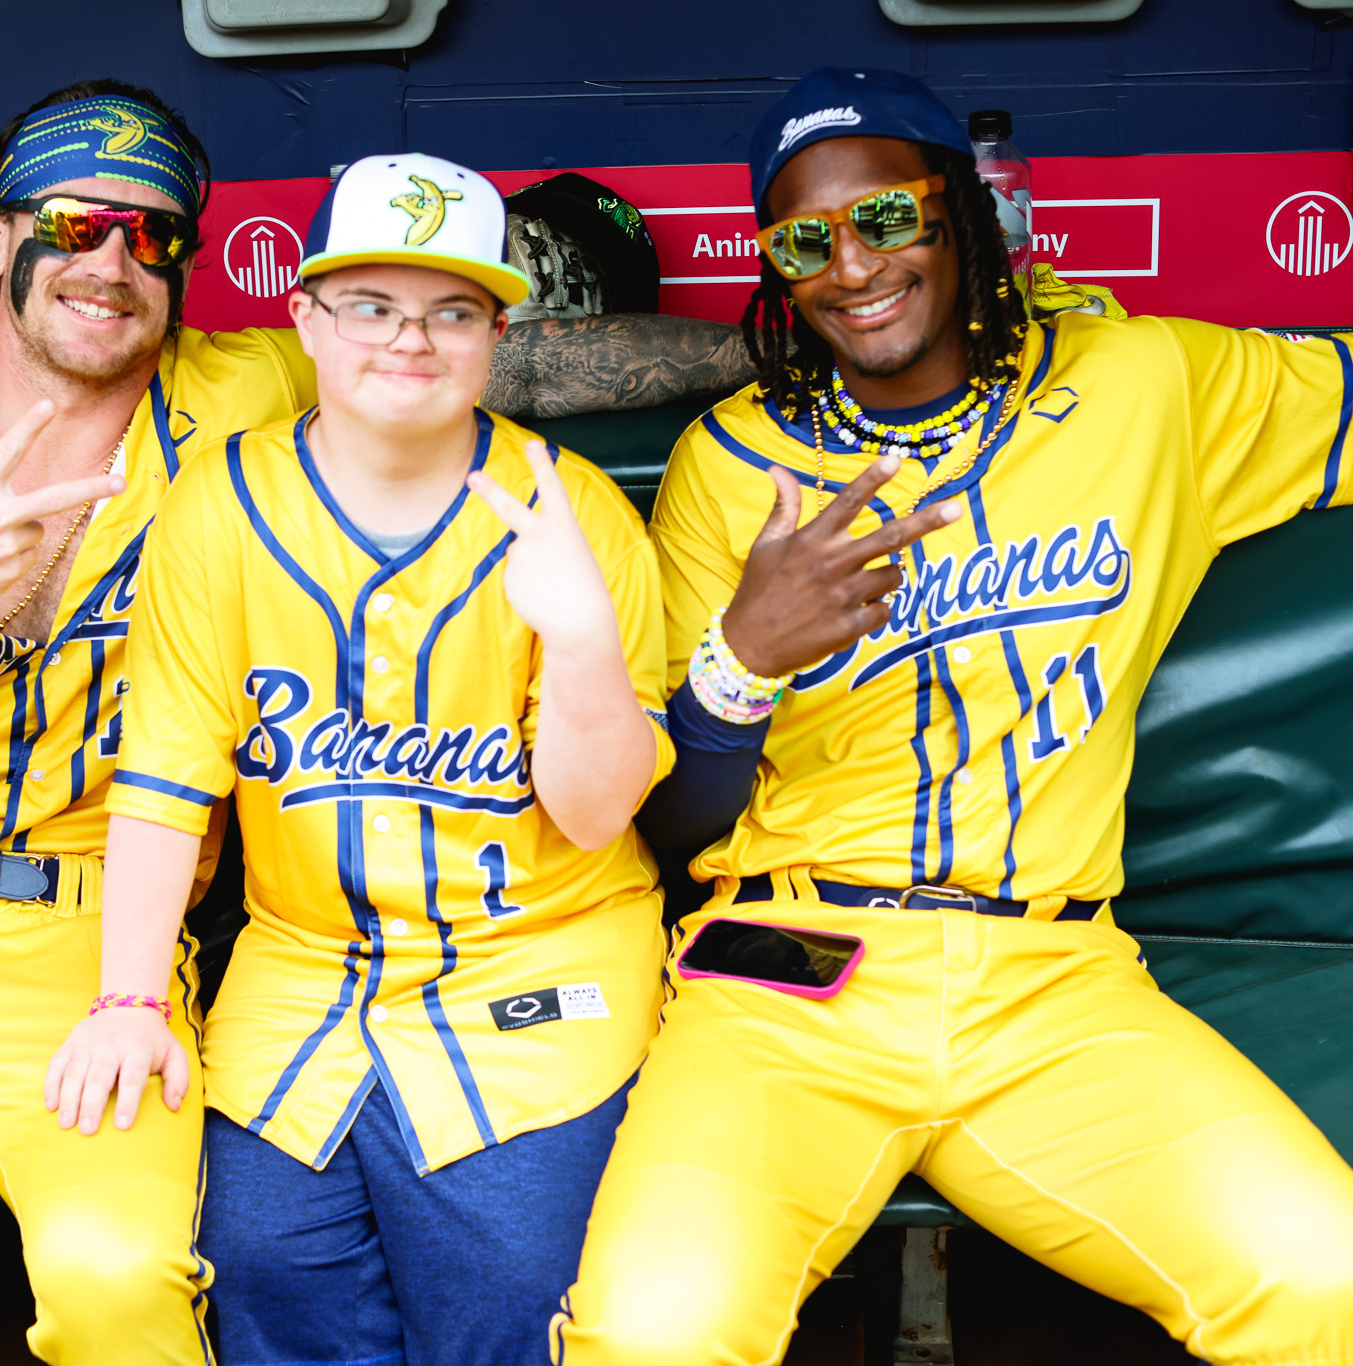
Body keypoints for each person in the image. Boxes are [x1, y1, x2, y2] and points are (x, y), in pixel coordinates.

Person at [0, 82, 754, 1366]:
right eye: (71, 223)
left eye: (153, 235)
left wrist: (783, 350)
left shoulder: (250, 390)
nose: (110, 262)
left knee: (120, 1280)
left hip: (88, 919)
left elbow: (485, 358)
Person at [48, 151, 949, 1366]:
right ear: (303, 317)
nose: (408, 340)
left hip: (536, 969)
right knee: (260, 1260)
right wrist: (127, 999)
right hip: (303, 974)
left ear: (496, 336)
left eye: (452, 311)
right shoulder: (219, 502)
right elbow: (165, 780)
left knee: (516, 1281)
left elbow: (596, 818)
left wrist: (577, 640)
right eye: (370, 304)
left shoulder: (577, 515)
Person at [552, 67, 1353, 1365]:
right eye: (803, 241)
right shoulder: (731, 464)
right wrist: (742, 660)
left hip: (1051, 982)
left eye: (886, 217)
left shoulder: (1143, 381)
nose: (850, 266)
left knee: (1327, 1277)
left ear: (961, 213)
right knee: (654, 1334)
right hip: (784, 973)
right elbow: (667, 825)